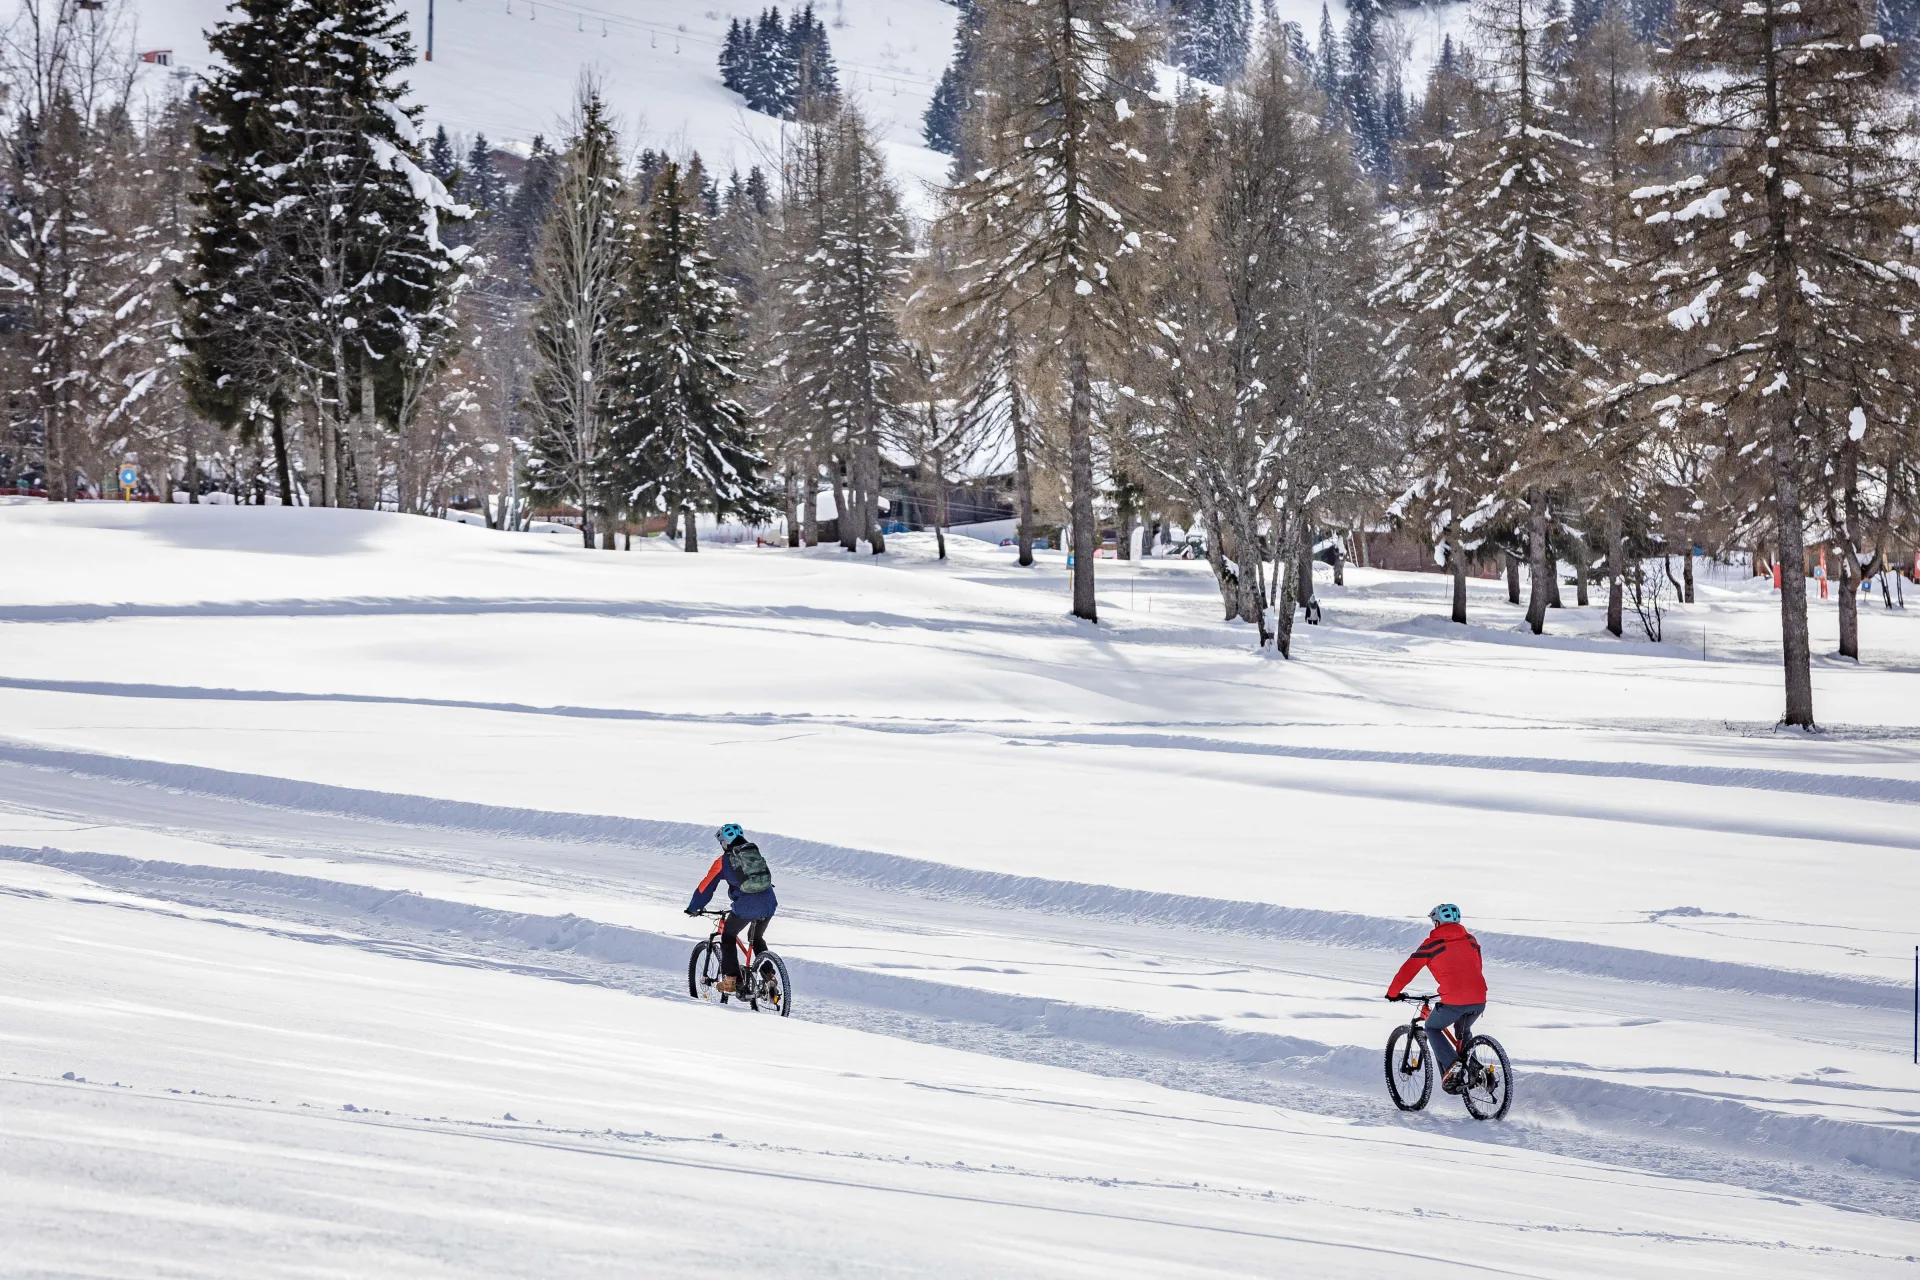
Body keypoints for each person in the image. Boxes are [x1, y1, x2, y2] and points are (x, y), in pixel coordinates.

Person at [1385, 904, 1487, 1094]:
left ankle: (1451, 1065)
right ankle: (1475, 1070)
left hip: (1454, 1002)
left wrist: (1393, 993)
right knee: (1462, 1029)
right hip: (1479, 999)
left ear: (1438, 922)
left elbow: (1408, 970)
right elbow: (1475, 968)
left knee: (1432, 1027)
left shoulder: (1432, 944)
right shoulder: (1471, 941)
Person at [685, 823, 778, 995]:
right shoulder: (753, 854)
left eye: (721, 843)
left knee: (728, 936)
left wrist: (693, 907)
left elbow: (705, 888)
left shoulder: (722, 861)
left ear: (725, 842)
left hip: (747, 905)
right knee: (756, 938)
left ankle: (731, 980)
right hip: (769, 902)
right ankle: (769, 976)